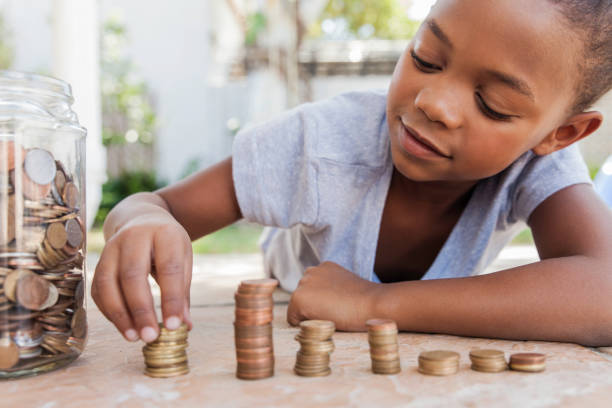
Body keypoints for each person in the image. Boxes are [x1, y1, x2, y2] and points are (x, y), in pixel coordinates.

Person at [92, 0, 612, 347]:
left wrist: (373, 303)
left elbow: (604, 290)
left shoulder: (538, 162)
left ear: (561, 133)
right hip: (292, 268)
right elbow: (156, 206)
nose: (433, 103)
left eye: (493, 104)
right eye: (426, 58)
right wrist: (139, 221)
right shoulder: (320, 144)